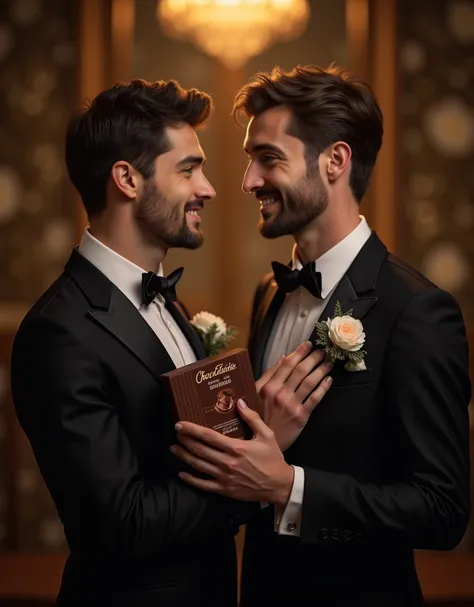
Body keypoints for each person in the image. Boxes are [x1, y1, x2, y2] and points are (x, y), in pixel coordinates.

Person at [10, 78, 332, 607]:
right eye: (188, 169)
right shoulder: (59, 332)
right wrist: (252, 459)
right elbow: (126, 525)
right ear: (127, 179)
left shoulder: (166, 301)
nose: (208, 188)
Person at [171, 65, 471, 606]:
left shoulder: (418, 311)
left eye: (269, 159)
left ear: (335, 161)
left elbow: (442, 510)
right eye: (249, 160)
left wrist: (289, 489)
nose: (248, 182)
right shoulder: (270, 291)